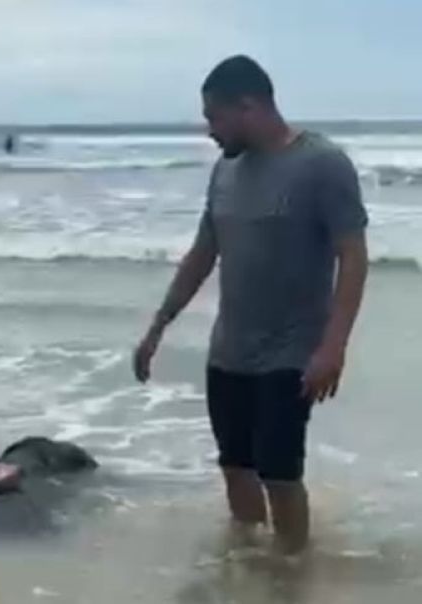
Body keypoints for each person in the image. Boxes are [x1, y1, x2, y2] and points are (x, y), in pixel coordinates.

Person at [132, 56, 368, 554]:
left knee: (280, 475)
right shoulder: (225, 169)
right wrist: (158, 325)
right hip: (230, 350)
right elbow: (203, 252)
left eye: (214, 116)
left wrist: (333, 346)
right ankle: (248, 566)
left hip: (291, 352)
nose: (209, 130)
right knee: (235, 467)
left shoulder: (322, 163)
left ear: (249, 105)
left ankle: (292, 574)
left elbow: (353, 255)